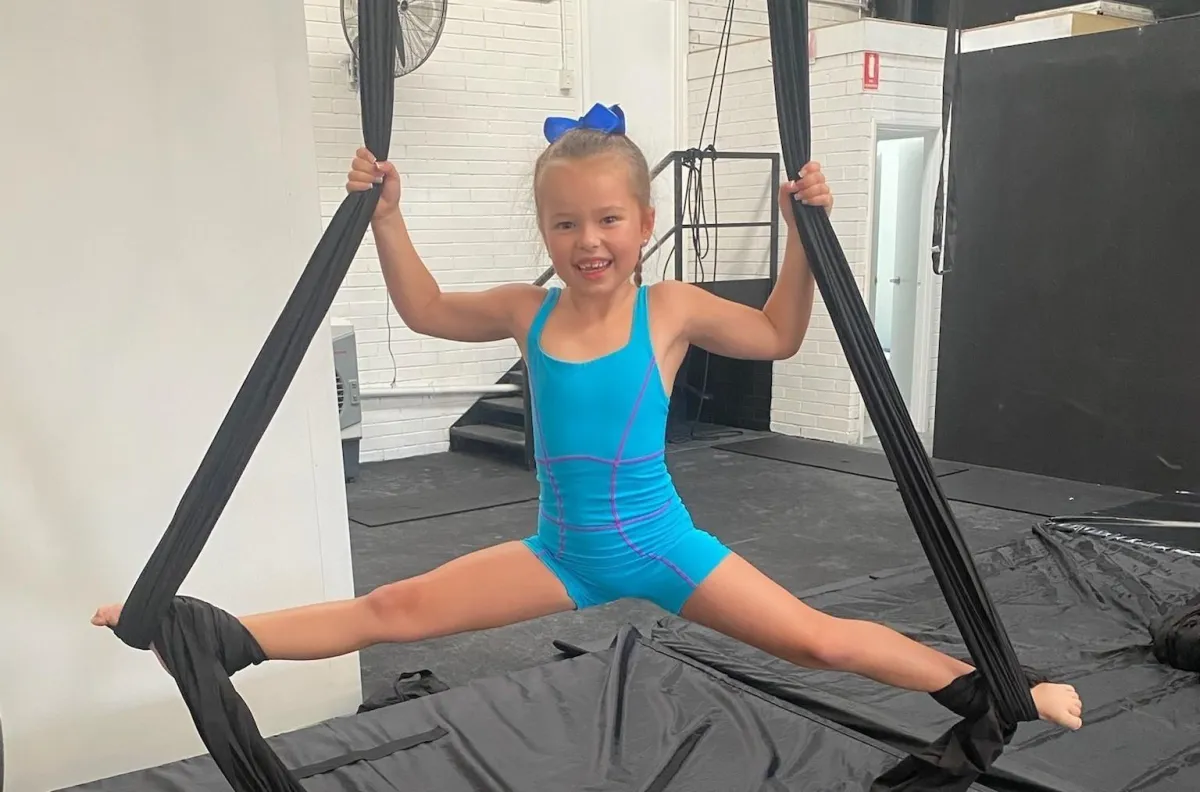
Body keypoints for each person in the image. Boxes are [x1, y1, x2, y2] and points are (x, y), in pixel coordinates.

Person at [93, 104, 1083, 731]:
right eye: (565, 224)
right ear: (546, 234)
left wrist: (798, 237)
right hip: (559, 550)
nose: (588, 240)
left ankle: (1001, 686)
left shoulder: (675, 309)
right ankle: (219, 635)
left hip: (660, 545)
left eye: (608, 219)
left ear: (643, 226)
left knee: (820, 642)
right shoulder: (530, 312)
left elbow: (782, 335)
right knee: (389, 611)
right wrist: (387, 219)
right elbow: (427, 310)